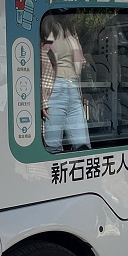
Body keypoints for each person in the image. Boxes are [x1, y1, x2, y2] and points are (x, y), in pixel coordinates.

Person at [40, 14, 90, 153]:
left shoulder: (70, 30)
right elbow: (42, 64)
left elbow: (80, 62)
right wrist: (43, 99)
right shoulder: (47, 26)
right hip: (55, 89)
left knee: (83, 145)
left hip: (73, 88)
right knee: (53, 145)